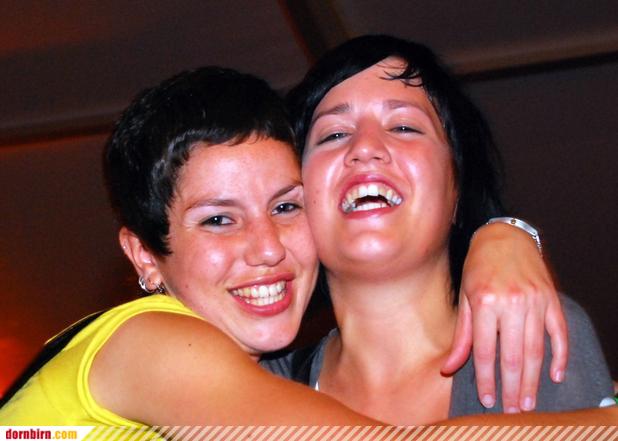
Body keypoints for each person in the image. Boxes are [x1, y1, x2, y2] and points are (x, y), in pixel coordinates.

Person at [0, 64, 580, 427]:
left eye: (285, 207)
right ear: (145, 256)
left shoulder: (256, 382)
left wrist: (501, 233)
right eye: (219, 220)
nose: (268, 248)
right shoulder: (151, 343)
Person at [263, 35, 614, 424]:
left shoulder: (527, 334)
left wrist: (505, 230)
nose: (364, 147)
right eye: (333, 134)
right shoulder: (256, 382)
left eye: (403, 127)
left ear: (456, 188)